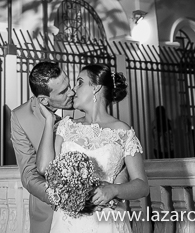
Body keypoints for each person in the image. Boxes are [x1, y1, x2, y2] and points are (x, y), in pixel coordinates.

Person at [36, 63, 149, 232]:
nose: (73, 89)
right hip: (67, 223)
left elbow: (142, 186)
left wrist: (114, 189)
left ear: (96, 88)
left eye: (79, 82)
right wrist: (49, 120)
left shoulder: (123, 132)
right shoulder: (66, 127)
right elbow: (44, 168)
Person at [11, 61, 75, 233]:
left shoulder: (84, 103)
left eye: (69, 84)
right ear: (44, 100)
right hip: (48, 213)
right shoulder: (20, 117)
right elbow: (29, 175)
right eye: (63, 92)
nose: (72, 92)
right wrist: (61, 196)